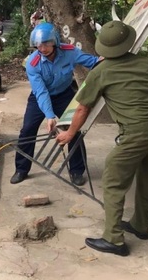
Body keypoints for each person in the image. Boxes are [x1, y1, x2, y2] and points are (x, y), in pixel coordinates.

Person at [56, 21, 148, 257]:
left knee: (112, 179)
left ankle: (114, 239)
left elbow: (82, 109)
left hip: (138, 130)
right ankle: (141, 226)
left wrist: (69, 134)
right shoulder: (144, 62)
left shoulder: (102, 71)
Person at [11, 22, 101, 185]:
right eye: (39, 44)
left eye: (46, 43)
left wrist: (108, 60)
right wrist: (49, 115)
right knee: (27, 130)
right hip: (40, 98)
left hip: (64, 94)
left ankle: (77, 171)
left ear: (55, 42)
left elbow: (93, 62)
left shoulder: (70, 52)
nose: (42, 48)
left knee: (74, 129)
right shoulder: (33, 63)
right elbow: (41, 92)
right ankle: (21, 169)